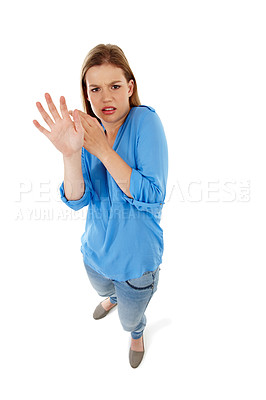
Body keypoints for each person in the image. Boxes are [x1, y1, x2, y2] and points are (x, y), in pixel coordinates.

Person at [33, 44, 168, 368]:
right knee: (102, 289)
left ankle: (136, 331)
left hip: (137, 265)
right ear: (87, 93)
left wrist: (104, 151)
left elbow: (152, 195)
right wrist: (69, 153)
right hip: (94, 253)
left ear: (130, 87)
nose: (106, 97)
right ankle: (110, 298)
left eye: (115, 86)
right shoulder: (86, 130)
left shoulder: (145, 122)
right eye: (96, 88)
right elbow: (78, 200)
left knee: (129, 317)